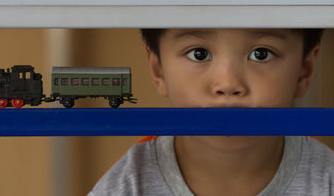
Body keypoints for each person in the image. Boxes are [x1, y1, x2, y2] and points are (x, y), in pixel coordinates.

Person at [88, 29, 333, 196]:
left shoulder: (327, 181)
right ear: (158, 70)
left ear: (304, 71)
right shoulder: (127, 187)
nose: (228, 84)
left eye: (261, 54)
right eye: (199, 54)